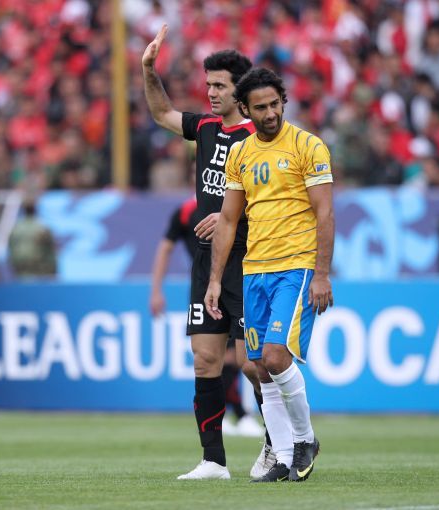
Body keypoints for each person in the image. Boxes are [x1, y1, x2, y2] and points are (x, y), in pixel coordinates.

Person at [143, 25, 277, 480]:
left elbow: (273, 202)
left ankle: (278, 444)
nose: (211, 92)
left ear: (240, 92)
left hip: (247, 262)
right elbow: (161, 112)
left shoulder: (259, 139)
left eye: (219, 85)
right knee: (205, 359)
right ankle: (213, 460)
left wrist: (227, 217)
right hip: (206, 265)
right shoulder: (203, 128)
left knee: (252, 364)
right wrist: (149, 70)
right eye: (209, 85)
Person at [205, 67, 335, 483]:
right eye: (260, 108)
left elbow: (325, 212)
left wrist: (321, 274)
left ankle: (305, 440)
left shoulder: (307, 146)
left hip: (295, 266)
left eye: (275, 104)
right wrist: (214, 279)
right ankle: (282, 456)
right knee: (259, 366)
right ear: (245, 109)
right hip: (254, 270)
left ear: (284, 102)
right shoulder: (240, 154)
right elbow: (228, 220)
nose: (270, 113)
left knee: (277, 357)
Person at [149, 194, 264, 439]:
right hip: (207, 286)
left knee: (244, 362)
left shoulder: (239, 199)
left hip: (240, 280)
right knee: (214, 359)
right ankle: (240, 417)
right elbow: (165, 247)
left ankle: (254, 421)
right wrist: (156, 290)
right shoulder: (185, 211)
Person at [8, 197, 57, 277]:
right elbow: (50, 252)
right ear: (36, 210)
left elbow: (11, 248)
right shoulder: (43, 228)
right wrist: (53, 271)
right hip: (38, 270)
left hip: (21, 269)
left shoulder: (15, 229)